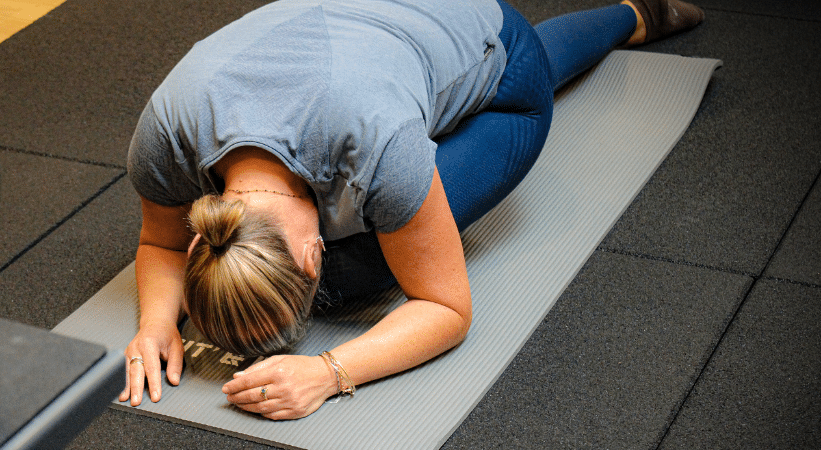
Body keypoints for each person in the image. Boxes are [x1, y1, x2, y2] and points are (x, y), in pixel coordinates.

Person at [121, 0, 703, 420]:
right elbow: (160, 243)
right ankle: (634, 11)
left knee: (361, 275)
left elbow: (446, 307)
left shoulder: (376, 147)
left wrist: (329, 372)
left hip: (497, 61)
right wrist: (154, 324)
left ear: (312, 253)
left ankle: (630, 13)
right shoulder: (165, 135)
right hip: (370, 34)